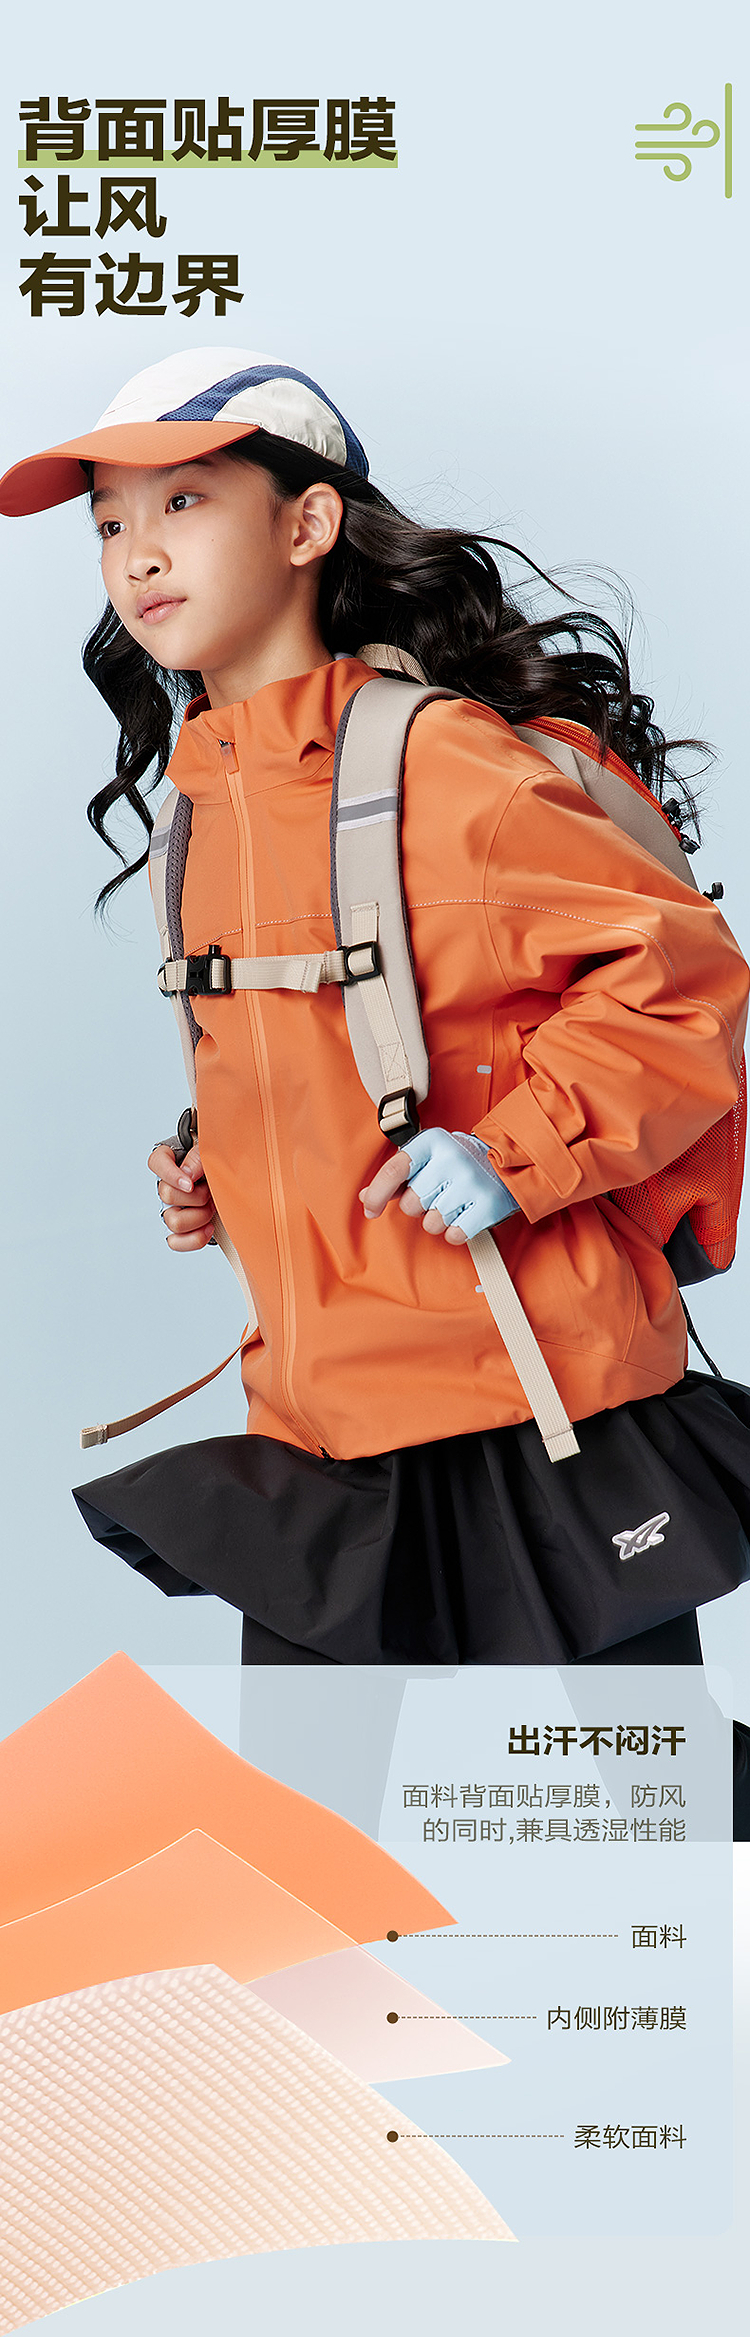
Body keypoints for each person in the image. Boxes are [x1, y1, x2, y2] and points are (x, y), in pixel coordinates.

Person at [3, 346, 750, 1704]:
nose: (135, 553)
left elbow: (682, 983)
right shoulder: (198, 808)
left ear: (307, 524)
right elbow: (362, 1032)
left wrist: (513, 1153)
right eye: (108, 524)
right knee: (318, 1814)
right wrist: (216, 1159)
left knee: (644, 1796)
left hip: (539, 1394)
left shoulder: (441, 759)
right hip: (321, 1412)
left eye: (183, 503)